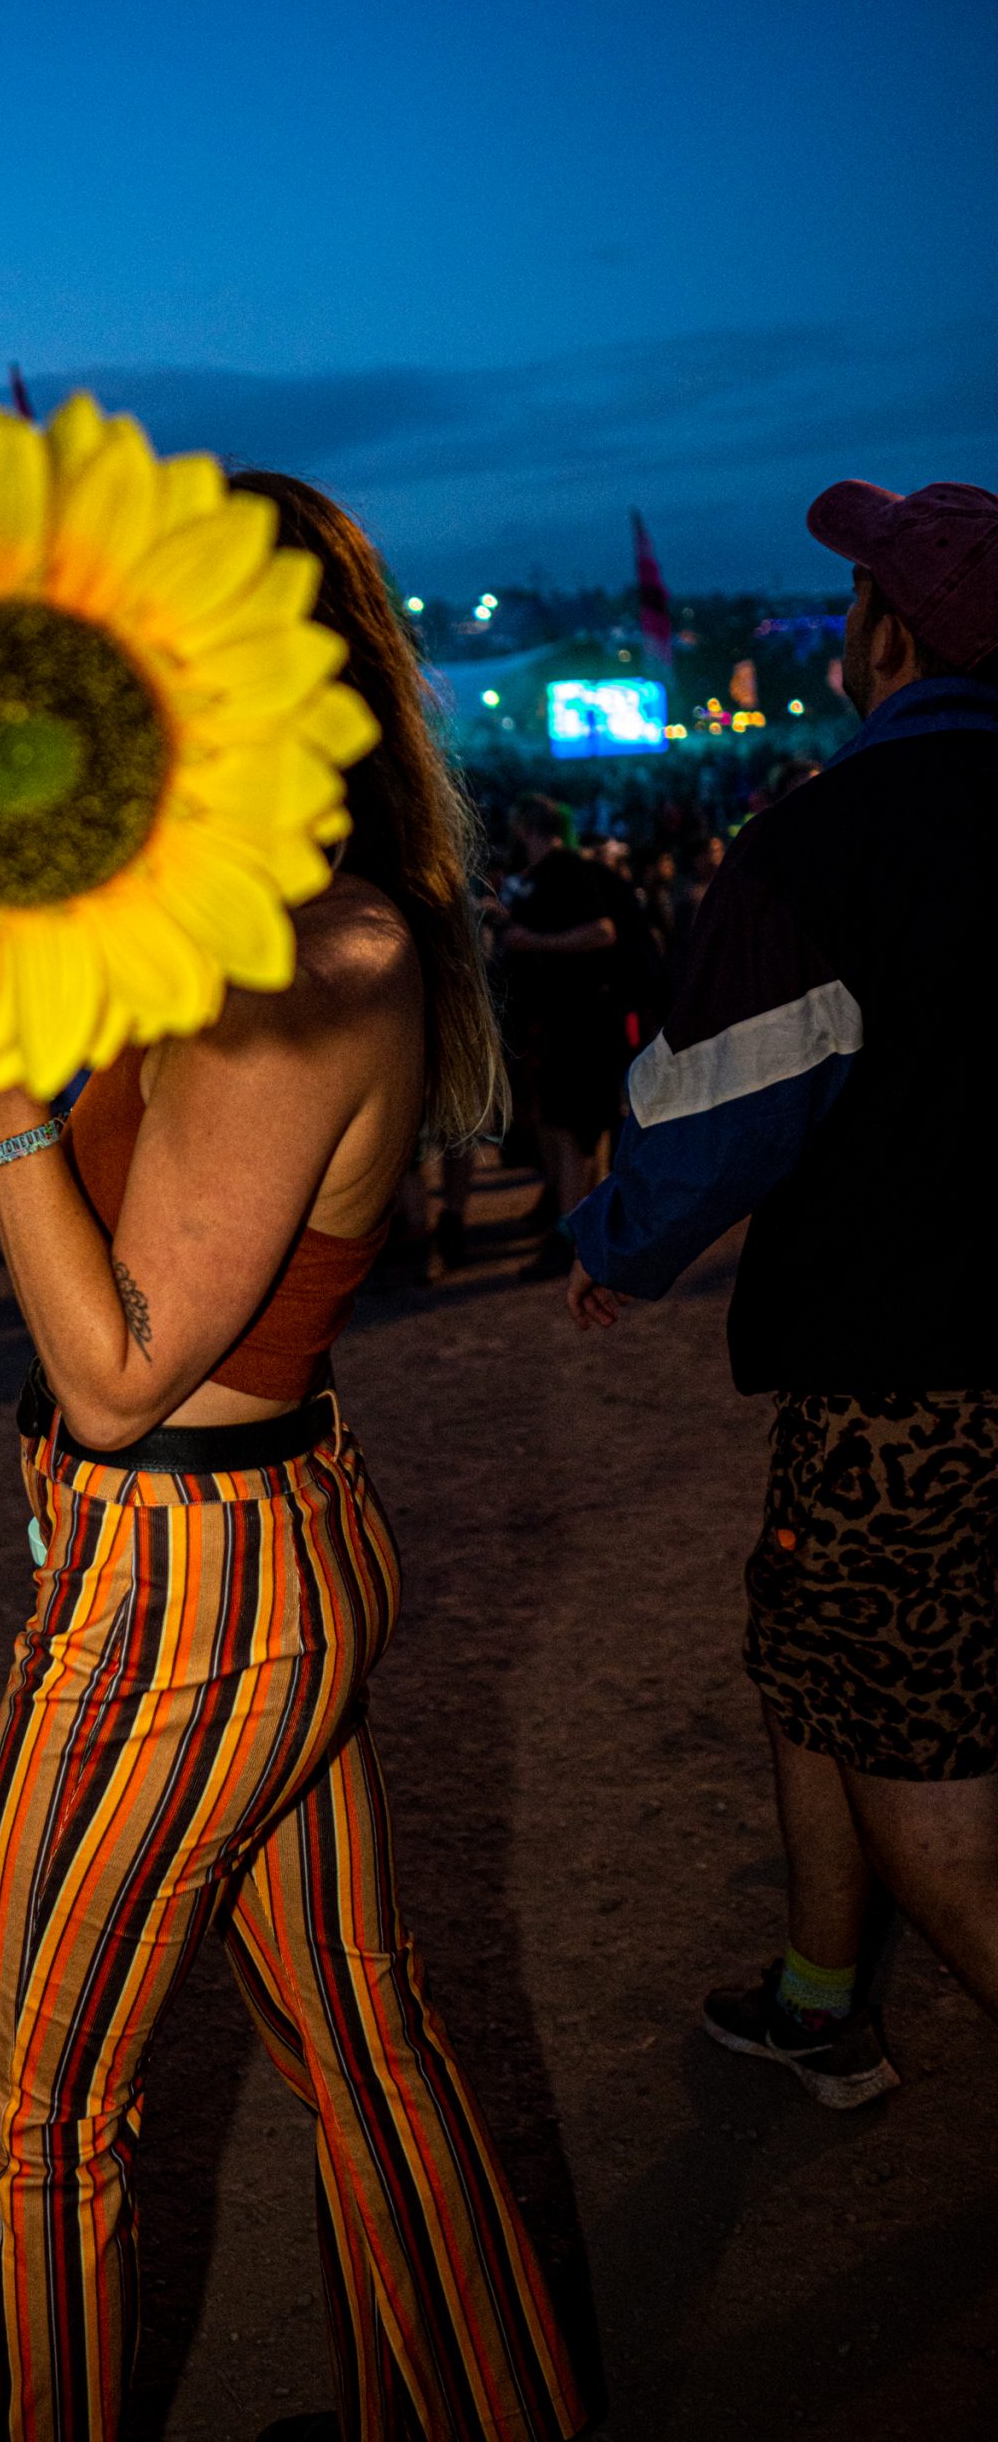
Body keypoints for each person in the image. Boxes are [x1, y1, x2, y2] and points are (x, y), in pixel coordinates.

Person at [0, 477, 584, 2442]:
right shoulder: (239, 924)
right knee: (360, 2030)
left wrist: (6, 1096)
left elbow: (112, 1373)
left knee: (35, 2114)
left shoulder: (313, 954)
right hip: (245, 1549)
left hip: (179, 1581)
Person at [568, 477, 998, 2106]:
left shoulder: (825, 844)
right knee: (806, 1660)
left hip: (906, 1376)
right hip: (926, 1360)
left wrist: (617, 1244)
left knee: (930, 1811)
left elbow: (712, 1115)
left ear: (886, 634)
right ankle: (822, 1999)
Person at [492, 798, 624, 1282]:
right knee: (566, 1128)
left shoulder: (564, 870)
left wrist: (533, 942)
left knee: (575, 1132)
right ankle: (578, 1229)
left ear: (524, 825)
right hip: (563, 1021)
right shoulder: (545, 874)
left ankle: (574, 1240)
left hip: (581, 1021)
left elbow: (602, 932)